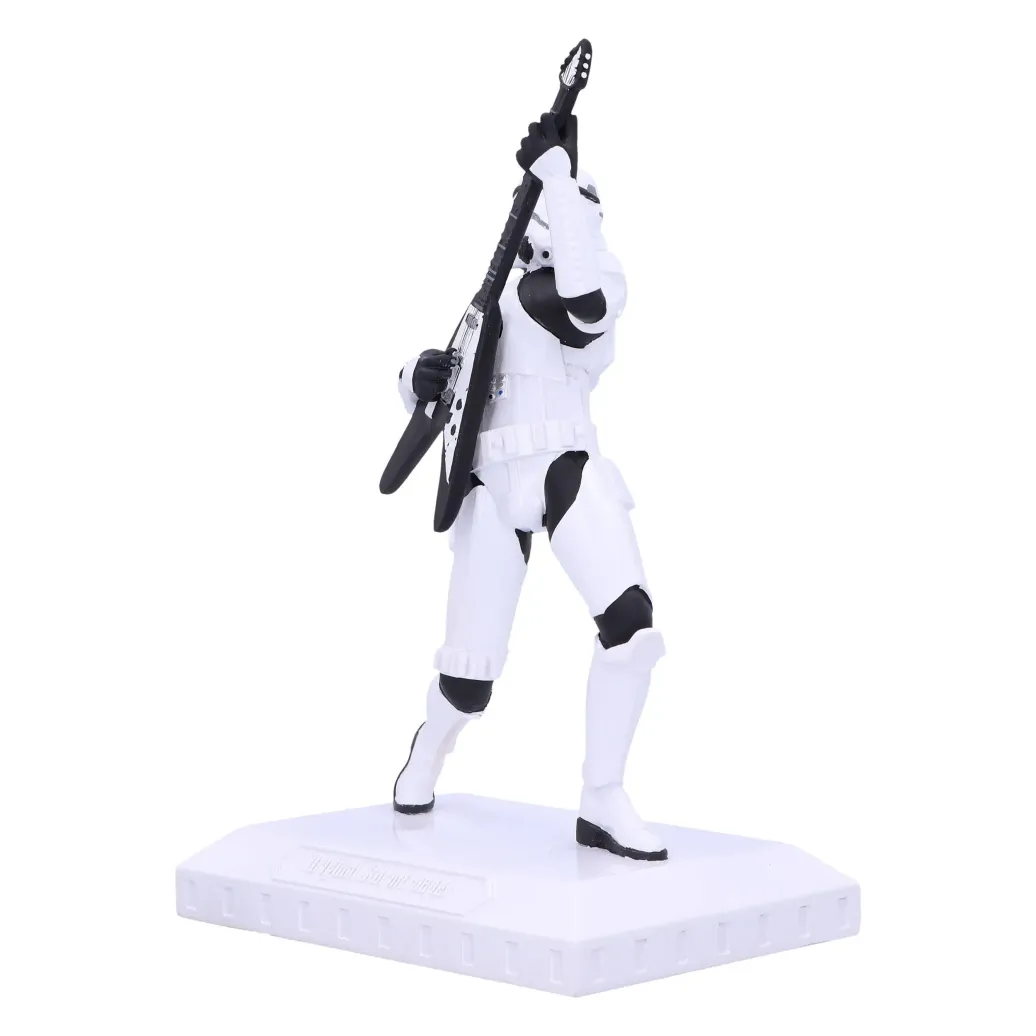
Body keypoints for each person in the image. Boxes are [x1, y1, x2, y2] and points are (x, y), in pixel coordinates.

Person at [391, 113, 667, 861]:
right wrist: (416, 379)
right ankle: (430, 747)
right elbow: (455, 381)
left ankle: (602, 797)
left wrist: (557, 181)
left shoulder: (594, 277)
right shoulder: (493, 298)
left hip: (565, 465)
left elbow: (581, 307)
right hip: (491, 483)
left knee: (632, 627)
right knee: (468, 678)